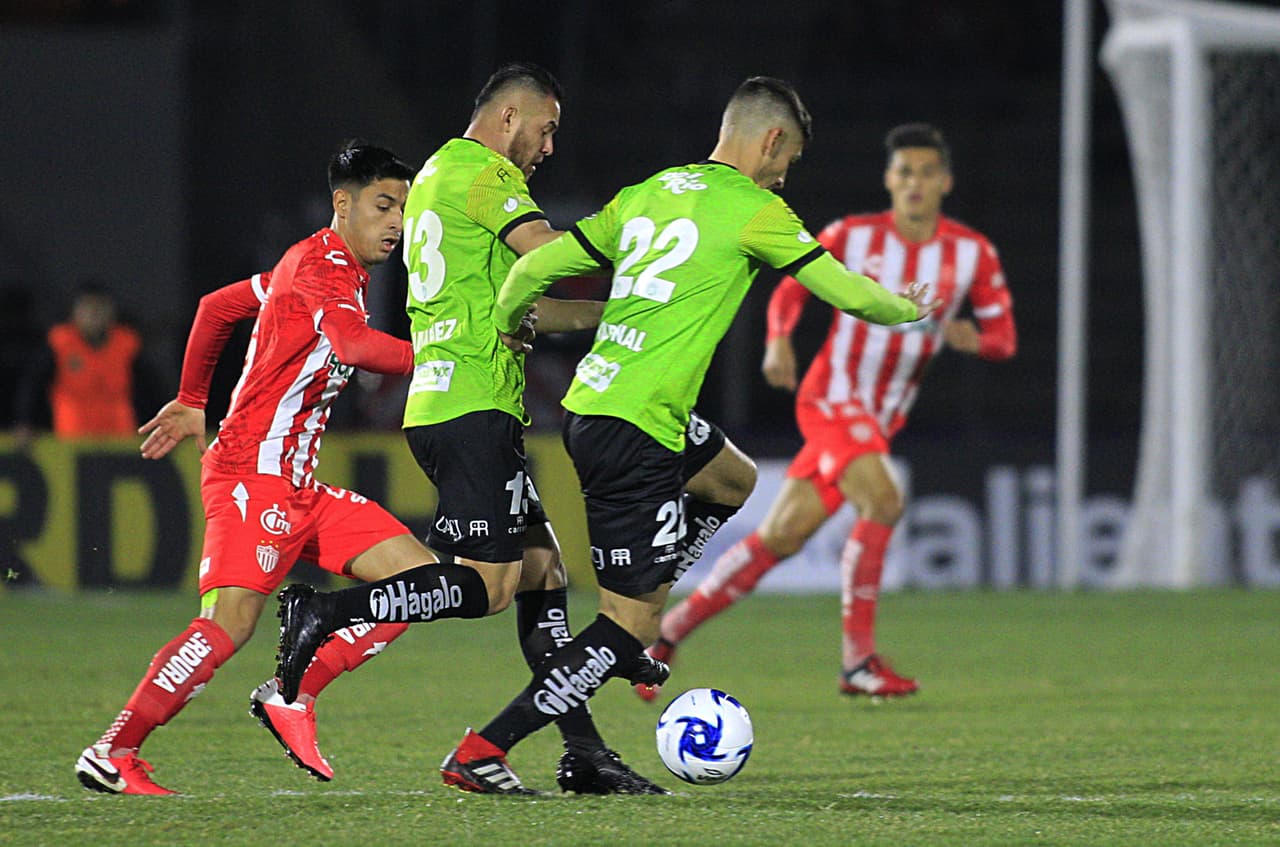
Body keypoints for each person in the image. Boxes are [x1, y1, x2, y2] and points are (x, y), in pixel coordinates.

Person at [278, 76, 937, 795]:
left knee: (696, 498)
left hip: (564, 401)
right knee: (521, 595)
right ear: (773, 141)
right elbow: (843, 288)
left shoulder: (642, 190)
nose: (548, 148)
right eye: (546, 129)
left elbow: (538, 269)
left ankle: (585, 747)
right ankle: (461, 725)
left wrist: (529, 310)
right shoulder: (746, 206)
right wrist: (908, 306)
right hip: (547, 411)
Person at [74, 141, 500, 795]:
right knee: (229, 624)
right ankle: (112, 749)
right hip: (251, 476)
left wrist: (193, 401)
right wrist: (453, 352)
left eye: (404, 210)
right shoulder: (322, 264)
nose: (397, 223)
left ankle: (291, 691)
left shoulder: (315, 268)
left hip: (300, 484)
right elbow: (355, 345)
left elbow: (216, 308)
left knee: (421, 584)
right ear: (343, 203)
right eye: (384, 205)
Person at [643, 123, 1017, 700]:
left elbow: (1005, 338)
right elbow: (792, 286)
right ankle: (857, 661)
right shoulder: (854, 235)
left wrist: (976, 338)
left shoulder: (972, 253)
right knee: (885, 500)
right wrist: (778, 339)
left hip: (881, 417)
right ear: (890, 180)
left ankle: (666, 635)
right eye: (904, 172)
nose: (913, 183)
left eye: (925, 173)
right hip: (833, 396)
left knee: (780, 539)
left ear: (944, 182)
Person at [13, 282, 145, 440]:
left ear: (112, 312)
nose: (94, 314)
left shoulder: (127, 344)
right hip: (73, 439)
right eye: (87, 308)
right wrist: (25, 422)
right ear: (74, 313)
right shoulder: (59, 343)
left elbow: (149, 389)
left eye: (101, 308)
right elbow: (32, 386)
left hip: (120, 440)